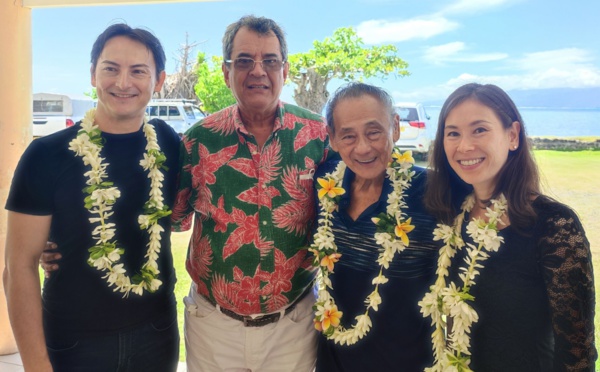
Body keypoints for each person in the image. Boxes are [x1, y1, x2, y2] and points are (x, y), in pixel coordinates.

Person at [3, 23, 180, 371]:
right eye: (110, 68)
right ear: (92, 74)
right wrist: (37, 365)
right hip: (74, 341)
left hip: (157, 335)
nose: (123, 82)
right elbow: (18, 267)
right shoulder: (46, 155)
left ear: (158, 81)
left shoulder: (169, 143)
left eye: (138, 71)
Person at [171, 15, 330, 371]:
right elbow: (172, 218)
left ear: (285, 71)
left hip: (293, 324)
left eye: (269, 61)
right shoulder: (198, 141)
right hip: (213, 325)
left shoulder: (318, 137)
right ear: (227, 72)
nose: (258, 71)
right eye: (244, 61)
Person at [419, 83, 597, 371]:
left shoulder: (554, 225)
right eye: (453, 133)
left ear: (512, 135)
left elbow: (577, 353)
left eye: (479, 129)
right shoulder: (448, 214)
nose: (464, 146)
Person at [311, 82, 439, 371]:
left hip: (408, 362)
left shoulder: (433, 191)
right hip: (335, 359)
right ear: (332, 138)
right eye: (348, 136)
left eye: (373, 132)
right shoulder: (325, 182)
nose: (363, 147)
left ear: (395, 127)